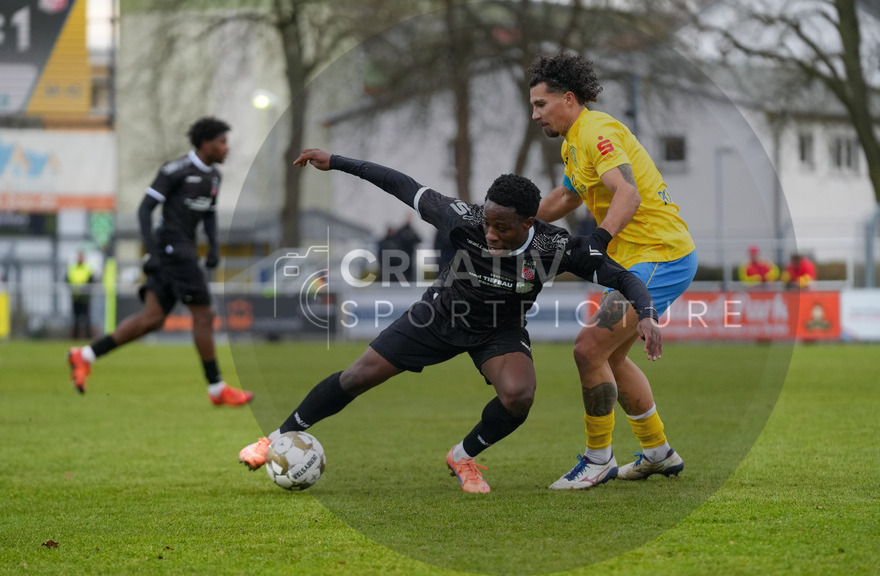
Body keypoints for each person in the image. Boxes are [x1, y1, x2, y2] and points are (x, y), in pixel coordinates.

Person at [238, 148, 664, 494]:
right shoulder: (462, 218)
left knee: (519, 396)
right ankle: (274, 438)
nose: (490, 233)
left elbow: (621, 276)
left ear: (529, 223)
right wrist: (337, 161)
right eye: (487, 223)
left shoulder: (558, 246)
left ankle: (463, 456)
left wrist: (645, 315)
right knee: (356, 377)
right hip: (440, 314)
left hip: (500, 329)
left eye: (501, 227)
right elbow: (401, 184)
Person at [528, 52, 698, 489]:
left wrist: (598, 240)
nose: (535, 115)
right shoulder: (574, 142)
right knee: (610, 356)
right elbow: (564, 200)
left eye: (541, 104)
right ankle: (658, 451)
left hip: (660, 255)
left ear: (568, 99)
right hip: (639, 258)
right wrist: (510, 224)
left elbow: (627, 192)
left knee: (588, 349)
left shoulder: (597, 132)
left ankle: (597, 459)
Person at [66, 117, 253, 406]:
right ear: (206, 144)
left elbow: (210, 214)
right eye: (222, 142)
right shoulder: (175, 170)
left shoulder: (214, 177)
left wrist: (214, 246)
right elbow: (145, 209)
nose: (227, 148)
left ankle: (85, 355)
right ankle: (217, 389)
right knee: (203, 315)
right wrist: (153, 249)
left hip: (181, 250)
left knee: (152, 319)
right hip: (174, 251)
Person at [66, 251, 96, 339]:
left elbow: (92, 280)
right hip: (75, 296)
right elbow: (67, 279)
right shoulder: (72, 268)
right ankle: (75, 337)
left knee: (87, 318)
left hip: (85, 296)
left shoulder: (88, 268)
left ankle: (88, 336)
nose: (80, 259)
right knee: (75, 318)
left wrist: (84, 288)